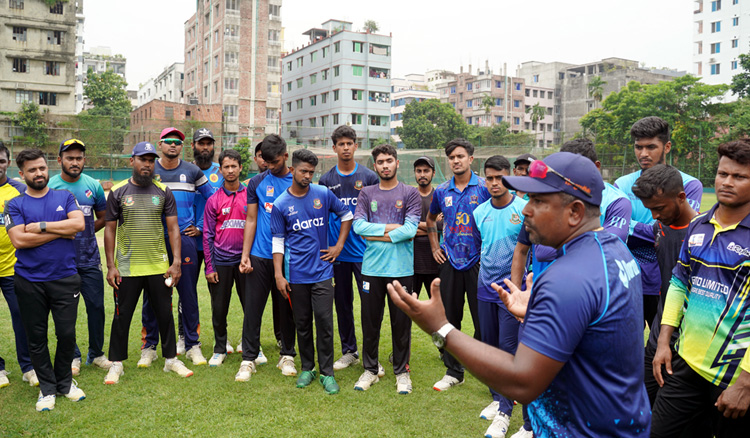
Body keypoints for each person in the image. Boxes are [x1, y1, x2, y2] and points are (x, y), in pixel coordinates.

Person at [388, 152, 651, 437]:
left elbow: (522, 382)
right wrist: (545, 311)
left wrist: (441, 328)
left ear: (575, 212)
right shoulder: (613, 248)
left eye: (538, 202)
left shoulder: (567, 277)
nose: (526, 210)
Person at [651, 140, 750, 437]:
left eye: (739, 177)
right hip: (685, 367)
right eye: (722, 174)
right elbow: (679, 283)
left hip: (734, 379)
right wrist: (664, 342)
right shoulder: (698, 226)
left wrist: (746, 381)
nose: (727, 182)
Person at [103, 141, 193, 385]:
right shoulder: (118, 191)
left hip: (158, 267)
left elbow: (174, 229)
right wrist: (111, 265)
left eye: (151, 160)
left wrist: (176, 263)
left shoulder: (163, 191)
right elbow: (109, 230)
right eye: (143, 159)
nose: (147, 164)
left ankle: (171, 359)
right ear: (132, 161)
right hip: (128, 268)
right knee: (122, 317)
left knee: (165, 314)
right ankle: (116, 364)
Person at [5, 148, 86, 412]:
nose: (38, 173)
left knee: (66, 334)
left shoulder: (64, 196)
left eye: (41, 168)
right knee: (36, 337)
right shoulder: (15, 204)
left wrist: (40, 226)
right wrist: (60, 231)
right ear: (22, 174)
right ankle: (47, 389)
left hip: (64, 278)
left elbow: (78, 225)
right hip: (29, 281)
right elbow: (18, 239)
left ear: (46, 167)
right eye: (32, 170)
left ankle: (65, 383)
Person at [271, 149, 353, 395]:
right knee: (303, 323)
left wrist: (338, 246)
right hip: (296, 275)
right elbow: (277, 242)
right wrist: (278, 274)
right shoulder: (280, 204)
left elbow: (347, 215)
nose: (307, 176)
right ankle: (308, 368)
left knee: (325, 322)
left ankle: (327, 373)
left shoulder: (323, 194)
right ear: (293, 169)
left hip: (323, 273)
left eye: (311, 172)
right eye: (303, 171)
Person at [614, 116, 702, 326]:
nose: (643, 154)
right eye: (638, 147)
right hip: (629, 276)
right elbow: (620, 235)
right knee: (627, 346)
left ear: (667, 146)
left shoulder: (689, 185)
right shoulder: (622, 184)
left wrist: (630, 226)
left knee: (668, 342)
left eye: (651, 147)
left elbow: (678, 230)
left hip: (670, 278)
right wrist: (651, 230)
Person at [511, 138, 631, 286]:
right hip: (544, 284)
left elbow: (605, 249)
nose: (526, 210)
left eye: (577, 168)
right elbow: (538, 252)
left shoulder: (617, 201)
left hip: (581, 286)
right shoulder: (551, 197)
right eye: (564, 170)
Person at [140, 127, 212, 367]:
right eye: (168, 141)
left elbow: (211, 200)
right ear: (160, 144)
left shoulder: (193, 171)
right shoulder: (150, 170)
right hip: (154, 241)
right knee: (153, 294)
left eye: (178, 142)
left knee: (188, 293)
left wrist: (200, 225)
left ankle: (193, 345)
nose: (173, 145)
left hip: (185, 239)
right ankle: (149, 346)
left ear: (183, 147)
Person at [351, 144, 420, 394]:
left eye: (389, 160)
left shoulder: (410, 193)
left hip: (401, 270)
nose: (385, 165)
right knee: (370, 323)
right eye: (380, 162)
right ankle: (370, 370)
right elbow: (359, 226)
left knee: (401, 324)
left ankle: (402, 372)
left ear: (397, 163)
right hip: (371, 269)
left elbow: (410, 230)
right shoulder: (367, 193)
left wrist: (377, 234)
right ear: (375, 165)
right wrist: (394, 230)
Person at [473, 156, 532, 438]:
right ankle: (498, 399)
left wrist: (519, 288)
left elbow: (527, 250)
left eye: (500, 178)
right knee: (490, 347)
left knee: (509, 349)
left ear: (509, 178)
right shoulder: (479, 212)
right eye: (490, 178)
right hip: (484, 289)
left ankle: (506, 413)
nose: (495, 183)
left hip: (512, 294)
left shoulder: (524, 209)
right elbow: (480, 248)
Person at [630, 164, 698, 406]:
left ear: (681, 197)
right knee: (645, 404)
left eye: (659, 208)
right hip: (659, 331)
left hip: (689, 338)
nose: (655, 216)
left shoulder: (703, 233)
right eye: (650, 210)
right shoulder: (660, 226)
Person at [426, 138, 490, 391]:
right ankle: (454, 371)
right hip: (451, 262)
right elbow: (431, 218)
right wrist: (434, 246)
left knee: (483, 320)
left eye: (460, 156)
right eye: (451, 157)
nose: (456, 161)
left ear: (471, 159)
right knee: (449, 319)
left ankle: (482, 367)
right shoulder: (441, 191)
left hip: (478, 263)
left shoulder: (485, 188)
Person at [48, 139, 112, 375]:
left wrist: (84, 233)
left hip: (89, 259)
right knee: (66, 312)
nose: (75, 162)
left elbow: (104, 218)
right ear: (59, 160)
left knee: (96, 307)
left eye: (79, 158)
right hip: (61, 262)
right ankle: (72, 355)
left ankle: (96, 354)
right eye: (70, 158)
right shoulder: (51, 186)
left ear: (84, 160)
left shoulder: (93, 186)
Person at [318, 125, 378, 371]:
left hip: (365, 254)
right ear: (334, 148)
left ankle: (370, 354)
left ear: (356, 145)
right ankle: (349, 351)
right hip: (337, 255)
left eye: (349, 143)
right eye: (340, 144)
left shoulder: (369, 177)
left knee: (369, 306)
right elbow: (322, 216)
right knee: (342, 304)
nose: (345, 147)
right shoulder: (325, 180)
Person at [238, 134, 297, 381]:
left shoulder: (299, 182)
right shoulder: (257, 183)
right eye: (265, 161)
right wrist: (245, 255)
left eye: (274, 162)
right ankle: (248, 360)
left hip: (289, 258)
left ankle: (287, 355)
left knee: (286, 308)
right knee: (252, 309)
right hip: (260, 255)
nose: (269, 166)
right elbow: (251, 219)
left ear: (285, 156)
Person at [191, 128, 236, 353]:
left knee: (218, 297)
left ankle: (223, 340)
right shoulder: (187, 171)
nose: (205, 147)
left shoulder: (222, 172)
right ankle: (187, 336)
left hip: (215, 245)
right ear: (194, 146)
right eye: (201, 143)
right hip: (189, 242)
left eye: (209, 143)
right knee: (187, 292)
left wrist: (201, 227)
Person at [202, 150, 247, 367]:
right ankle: (220, 348)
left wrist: (251, 259)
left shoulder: (251, 196)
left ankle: (250, 347)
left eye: (234, 166)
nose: (230, 170)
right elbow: (208, 235)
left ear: (240, 168)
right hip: (221, 261)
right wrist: (209, 267)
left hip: (246, 262)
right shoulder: (213, 200)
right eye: (226, 167)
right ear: (220, 170)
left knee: (251, 306)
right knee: (219, 308)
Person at [0, 141, 38, 389]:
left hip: (14, 269)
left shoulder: (18, 190)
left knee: (22, 317)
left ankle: (28, 367)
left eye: (1, 161)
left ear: (8, 162)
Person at [413, 156, 441, 298]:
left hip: (436, 262)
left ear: (433, 173)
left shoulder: (439, 196)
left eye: (426, 170)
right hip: (412, 263)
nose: (422, 174)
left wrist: (415, 226)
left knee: (439, 310)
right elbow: (405, 228)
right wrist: (432, 225)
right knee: (407, 310)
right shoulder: (408, 197)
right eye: (419, 171)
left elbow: (444, 225)